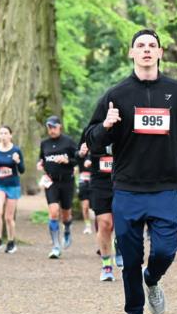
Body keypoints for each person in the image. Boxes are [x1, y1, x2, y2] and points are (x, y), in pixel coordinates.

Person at [85, 28, 177, 314]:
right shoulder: (116, 95)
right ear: (132, 53)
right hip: (127, 189)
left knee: (165, 250)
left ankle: (152, 279)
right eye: (141, 45)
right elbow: (92, 139)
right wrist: (106, 126)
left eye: (152, 45)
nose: (147, 49)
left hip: (165, 187)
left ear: (160, 53)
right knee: (131, 259)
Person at [79, 139, 122, 282]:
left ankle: (119, 244)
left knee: (124, 221)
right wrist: (83, 154)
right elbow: (80, 151)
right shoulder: (93, 130)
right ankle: (107, 266)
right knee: (104, 224)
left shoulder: (126, 127)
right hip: (100, 182)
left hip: (123, 180)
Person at [37, 116, 78, 259]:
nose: (52, 130)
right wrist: (40, 164)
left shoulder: (68, 142)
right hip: (51, 182)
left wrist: (67, 161)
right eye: (49, 127)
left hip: (67, 182)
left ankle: (67, 229)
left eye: (54, 127)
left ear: (60, 126)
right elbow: (42, 159)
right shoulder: (44, 143)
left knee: (66, 214)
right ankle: (55, 246)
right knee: (53, 212)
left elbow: (78, 159)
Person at [0, 126, 25, 254]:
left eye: (5, 133)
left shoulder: (16, 150)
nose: (3, 135)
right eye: (1, 133)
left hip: (13, 185)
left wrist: (17, 161)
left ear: (10, 135)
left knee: (9, 217)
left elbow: (22, 170)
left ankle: (11, 242)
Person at [77, 144, 95, 234]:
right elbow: (75, 158)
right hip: (83, 181)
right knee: (85, 206)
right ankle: (87, 226)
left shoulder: (97, 150)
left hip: (95, 181)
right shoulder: (81, 152)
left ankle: (99, 225)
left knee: (96, 207)